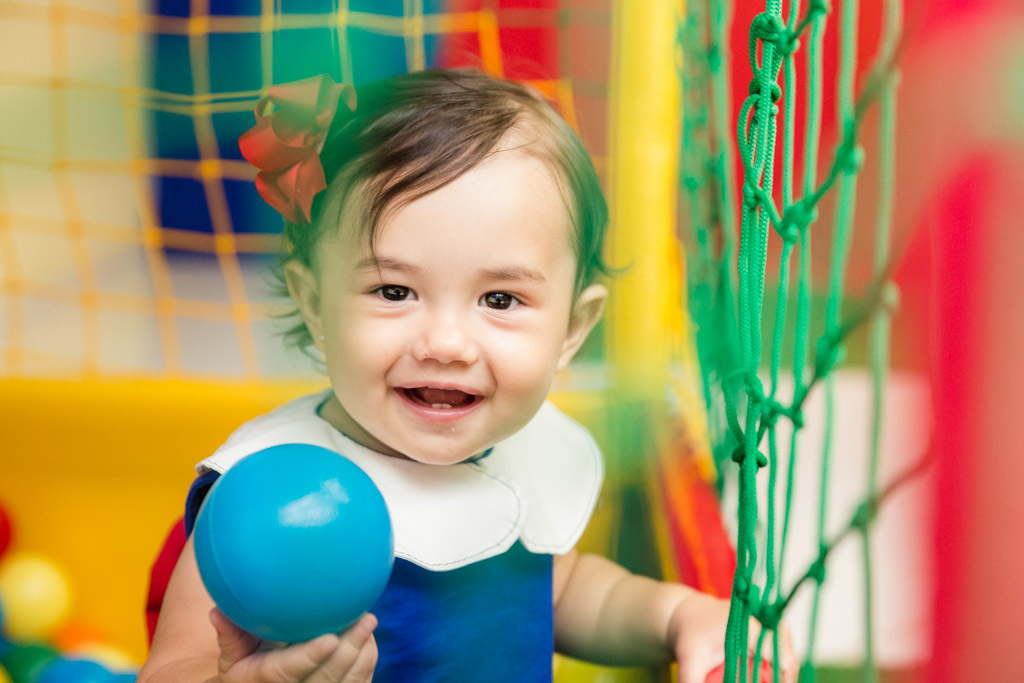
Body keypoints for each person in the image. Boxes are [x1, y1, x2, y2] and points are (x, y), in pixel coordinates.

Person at [139, 68, 796, 683]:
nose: (447, 343)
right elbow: (174, 666)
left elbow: (566, 593)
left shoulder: (518, 456)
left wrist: (678, 614)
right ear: (315, 303)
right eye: (394, 291)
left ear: (572, 329)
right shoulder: (267, 496)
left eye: (500, 299)